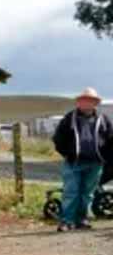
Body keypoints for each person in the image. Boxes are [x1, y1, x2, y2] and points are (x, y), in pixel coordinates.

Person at [52, 87, 112, 232]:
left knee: (87, 194)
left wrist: (106, 158)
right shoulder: (69, 119)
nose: (86, 103)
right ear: (78, 102)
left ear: (95, 103)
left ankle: (81, 220)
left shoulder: (103, 120)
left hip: (95, 163)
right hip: (74, 162)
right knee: (71, 192)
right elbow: (58, 139)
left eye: (90, 100)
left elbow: (111, 140)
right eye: (83, 100)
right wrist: (68, 154)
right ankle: (66, 221)